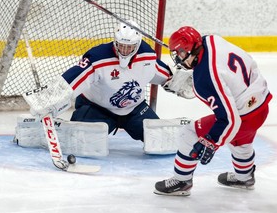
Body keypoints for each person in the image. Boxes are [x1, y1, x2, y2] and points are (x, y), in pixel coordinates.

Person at [154, 26, 273, 196]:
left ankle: (181, 181)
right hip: (260, 104)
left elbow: (230, 120)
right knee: (240, 140)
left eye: (179, 54)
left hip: (242, 116)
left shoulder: (205, 78)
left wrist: (211, 141)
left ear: (188, 51)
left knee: (189, 133)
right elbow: (219, 71)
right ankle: (244, 177)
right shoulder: (210, 39)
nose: (178, 59)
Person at [60, 20, 172, 142]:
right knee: (76, 139)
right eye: (121, 45)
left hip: (134, 109)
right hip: (97, 108)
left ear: (138, 44)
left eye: (129, 47)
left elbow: (166, 75)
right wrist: (52, 99)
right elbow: (72, 79)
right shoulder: (98, 57)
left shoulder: (147, 56)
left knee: (160, 139)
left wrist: (180, 81)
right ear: (115, 41)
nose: (124, 50)